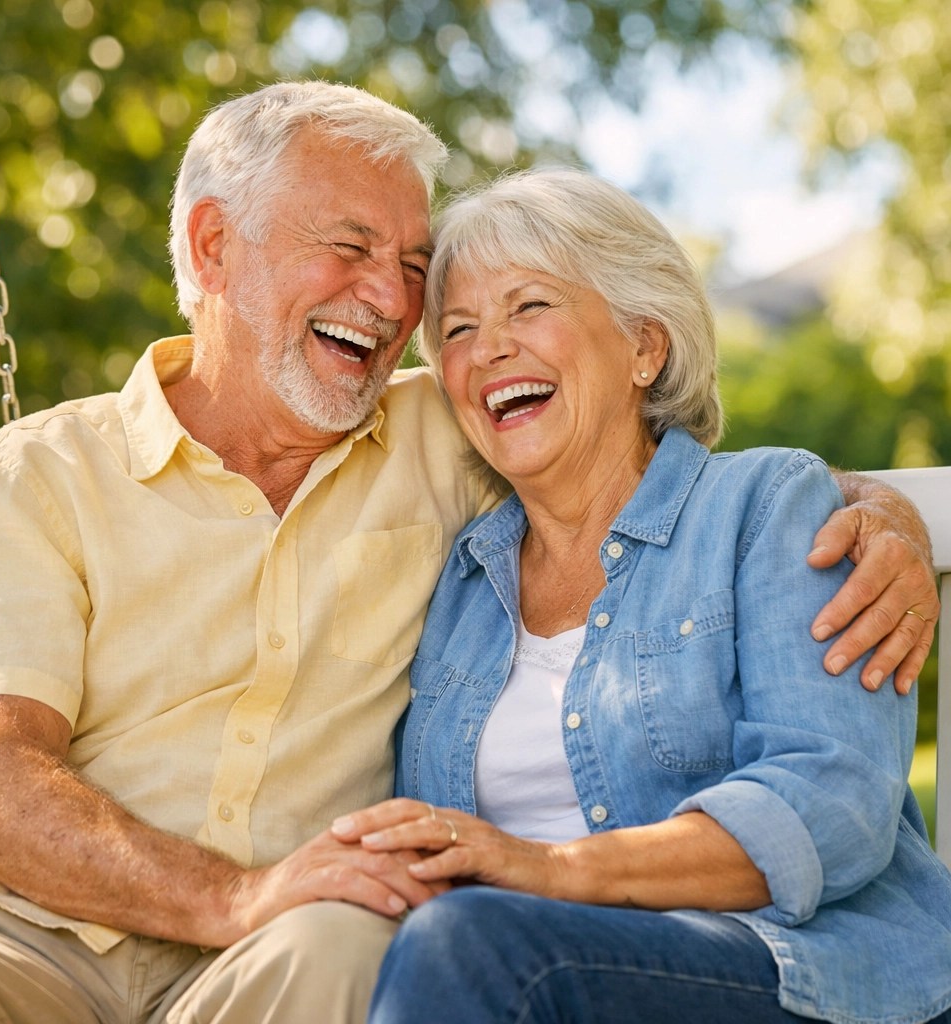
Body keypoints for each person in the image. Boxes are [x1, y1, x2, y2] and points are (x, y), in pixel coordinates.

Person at [0, 80, 937, 1023]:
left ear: (645, 341)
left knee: (398, 942)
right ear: (213, 244)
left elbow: (663, 477)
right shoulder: (42, 477)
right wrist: (239, 894)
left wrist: (874, 511)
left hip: (349, 949)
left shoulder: (494, 457)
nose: (389, 299)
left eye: (413, 267)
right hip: (32, 938)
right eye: (352, 248)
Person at [330, 168, 951, 1024]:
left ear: (645, 348)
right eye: (460, 330)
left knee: (461, 946)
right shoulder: (462, 585)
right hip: (532, 977)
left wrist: (548, 870)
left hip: (798, 977)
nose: (490, 349)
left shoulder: (766, 509)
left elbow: (831, 803)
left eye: (530, 306)